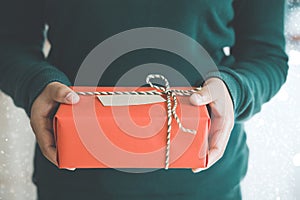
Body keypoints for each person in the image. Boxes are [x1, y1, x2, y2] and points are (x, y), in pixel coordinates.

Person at [0, 0, 288, 199]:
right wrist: (35, 83)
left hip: (204, 183)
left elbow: (265, 55)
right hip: (74, 181)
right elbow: (10, 43)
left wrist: (233, 89)